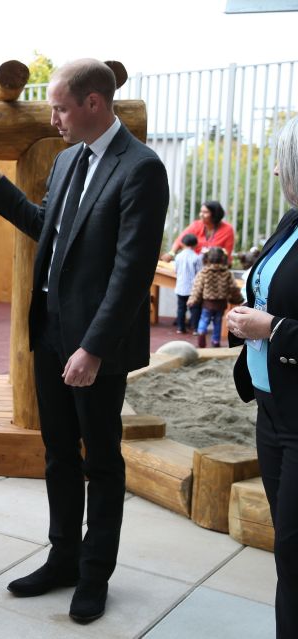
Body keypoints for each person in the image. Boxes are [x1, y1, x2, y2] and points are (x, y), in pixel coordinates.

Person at [0, 59, 169, 623]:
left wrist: (93, 348)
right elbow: (50, 228)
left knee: (101, 462)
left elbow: (132, 272)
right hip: (52, 335)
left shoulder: (141, 169)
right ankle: (62, 558)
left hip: (96, 348)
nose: (53, 117)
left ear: (94, 103)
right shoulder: (66, 161)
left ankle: (93, 575)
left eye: (61, 107)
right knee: (59, 455)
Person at [227, 114, 298, 639]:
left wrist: (272, 327)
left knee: (294, 552)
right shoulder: (290, 221)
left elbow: (279, 320)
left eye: (282, 161)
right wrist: (247, 320)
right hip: (272, 410)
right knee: (288, 548)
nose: (274, 171)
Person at [188, 246, 243, 347]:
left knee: (204, 319)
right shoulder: (227, 273)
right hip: (221, 304)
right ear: (223, 258)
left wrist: (193, 300)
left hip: (207, 303)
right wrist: (238, 299)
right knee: (217, 322)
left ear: (207, 258)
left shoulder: (204, 272)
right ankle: (215, 341)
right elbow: (233, 288)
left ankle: (201, 336)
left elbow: (197, 288)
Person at [163, 200, 235, 264]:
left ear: (215, 215)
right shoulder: (196, 225)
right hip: (194, 264)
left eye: (205, 212)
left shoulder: (227, 229)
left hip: (217, 267)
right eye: (201, 212)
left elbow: (226, 254)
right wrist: (171, 253)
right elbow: (180, 240)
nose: (201, 215)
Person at [174, 233, 202, 334]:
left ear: (183, 244)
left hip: (181, 287)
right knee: (195, 309)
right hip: (193, 288)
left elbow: (175, 270)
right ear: (195, 245)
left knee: (181, 308)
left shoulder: (178, 256)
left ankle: (180, 328)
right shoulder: (196, 257)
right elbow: (199, 273)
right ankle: (195, 329)